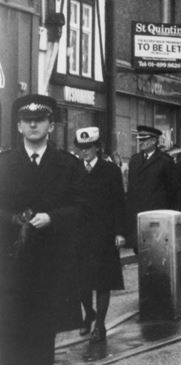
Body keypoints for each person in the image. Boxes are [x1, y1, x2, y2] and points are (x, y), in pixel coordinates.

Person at [0, 95, 85, 365]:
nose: (33, 125)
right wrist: (11, 221)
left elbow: (82, 210)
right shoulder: (5, 164)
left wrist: (53, 217)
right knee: (10, 331)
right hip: (11, 265)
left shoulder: (67, 165)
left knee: (41, 333)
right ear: (19, 126)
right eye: (26, 120)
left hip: (51, 265)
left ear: (51, 126)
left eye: (40, 120)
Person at [74, 128, 127, 344]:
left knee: (103, 281)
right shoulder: (73, 170)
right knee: (80, 281)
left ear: (97, 147)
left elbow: (119, 203)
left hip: (104, 234)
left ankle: (100, 326)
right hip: (79, 234)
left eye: (89, 147)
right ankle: (89, 313)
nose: (85, 152)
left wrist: (120, 232)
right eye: (81, 148)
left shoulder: (111, 170)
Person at [126, 126, 176, 249]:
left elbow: (172, 189)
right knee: (140, 250)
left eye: (144, 140)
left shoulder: (165, 161)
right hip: (138, 214)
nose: (140, 143)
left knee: (156, 249)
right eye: (139, 140)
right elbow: (131, 187)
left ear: (154, 141)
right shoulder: (135, 160)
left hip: (156, 213)